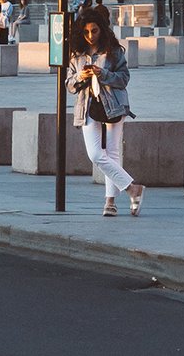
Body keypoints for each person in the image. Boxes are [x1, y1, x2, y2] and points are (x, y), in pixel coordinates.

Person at [65, 13, 145, 218]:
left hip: (113, 105)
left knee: (112, 153)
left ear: (102, 29)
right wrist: (79, 76)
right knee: (95, 154)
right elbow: (69, 86)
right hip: (87, 106)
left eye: (94, 31)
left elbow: (124, 78)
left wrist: (104, 74)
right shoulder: (76, 54)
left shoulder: (113, 51)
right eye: (85, 32)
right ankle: (132, 188)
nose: (90, 36)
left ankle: (110, 203)